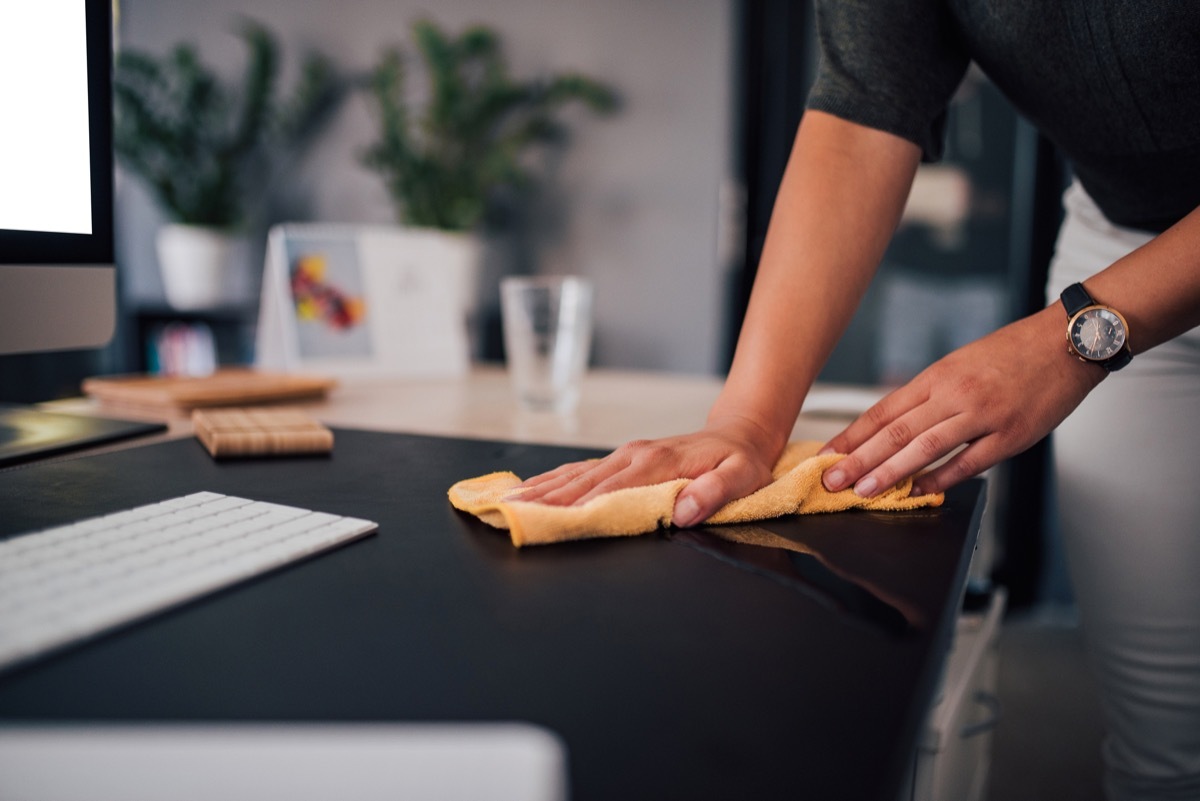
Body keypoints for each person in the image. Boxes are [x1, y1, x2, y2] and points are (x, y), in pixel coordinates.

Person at [514, 3, 1200, 798]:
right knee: (1169, 746)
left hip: (1104, 304)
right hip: (1125, 243)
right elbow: (861, 108)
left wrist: (1067, 337)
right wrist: (748, 421)